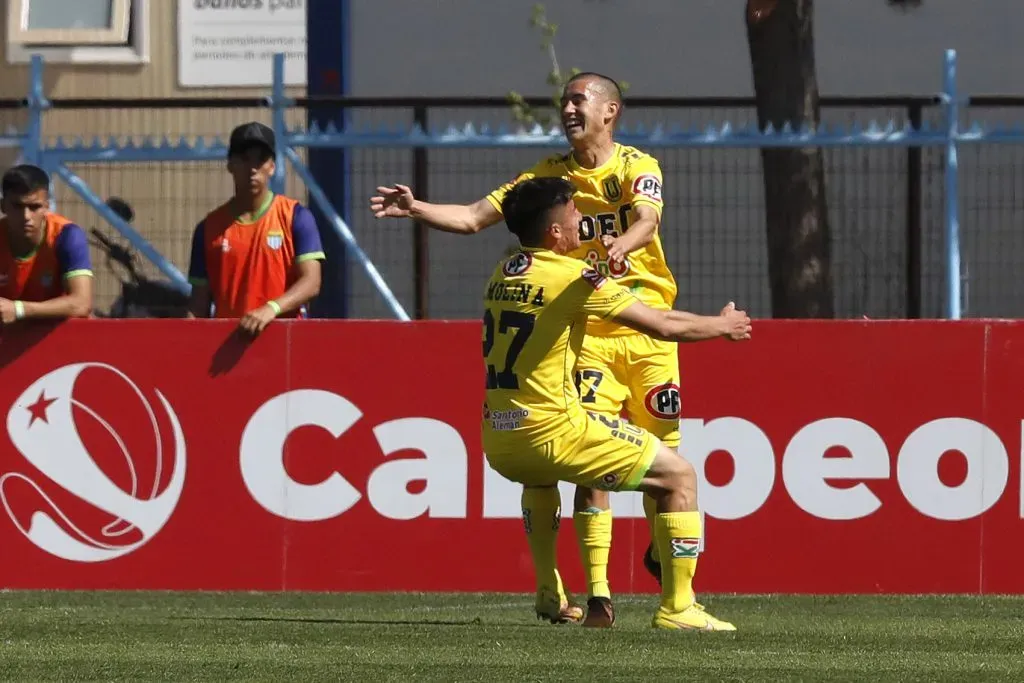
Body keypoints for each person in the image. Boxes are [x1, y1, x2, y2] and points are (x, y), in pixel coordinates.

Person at [372, 72, 683, 626]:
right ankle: (601, 597)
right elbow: (472, 217)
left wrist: (619, 247)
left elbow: (647, 220)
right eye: (563, 99)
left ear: (609, 111)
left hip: (646, 327)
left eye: (577, 99)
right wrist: (417, 207)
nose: (566, 107)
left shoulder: (636, 165)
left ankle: (666, 566)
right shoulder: (544, 176)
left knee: (667, 467)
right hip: (583, 332)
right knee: (591, 465)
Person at [484, 177, 749, 630]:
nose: (582, 221)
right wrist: (721, 324)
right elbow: (662, 325)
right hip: (554, 434)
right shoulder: (572, 278)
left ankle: (549, 593)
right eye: (574, 215)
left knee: (542, 478)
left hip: (501, 440)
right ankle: (678, 608)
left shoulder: (504, 272)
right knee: (679, 476)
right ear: (555, 233)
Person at [188, 122, 325, 333]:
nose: (253, 169)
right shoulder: (208, 229)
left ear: (272, 166)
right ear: (230, 165)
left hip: (286, 345)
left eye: (260, 159)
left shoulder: (296, 217)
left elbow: (312, 282)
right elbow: (198, 305)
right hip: (227, 349)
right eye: (244, 159)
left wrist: (272, 308)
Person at [0, 164, 92, 322]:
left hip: (59, 337)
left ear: (47, 206)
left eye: (34, 207)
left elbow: (82, 303)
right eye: (17, 206)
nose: (26, 216)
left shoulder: (66, 235)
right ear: (3, 206)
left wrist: (19, 309)